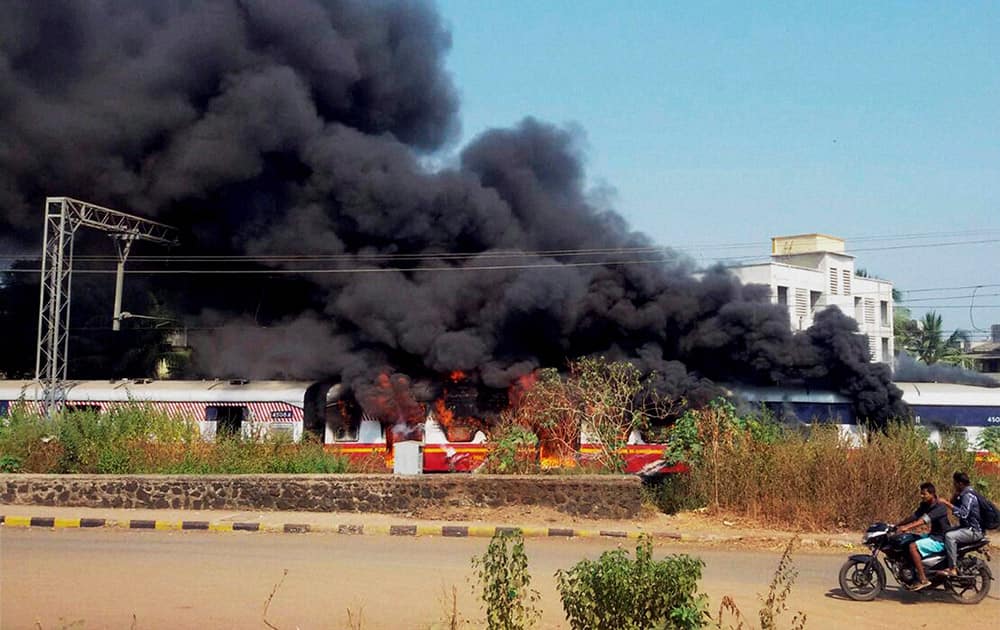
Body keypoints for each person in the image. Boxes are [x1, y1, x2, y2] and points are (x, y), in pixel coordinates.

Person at [895, 482, 949, 590]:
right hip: (932, 536)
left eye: (924, 494)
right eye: (921, 493)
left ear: (932, 494)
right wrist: (898, 525)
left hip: (940, 539)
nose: (922, 496)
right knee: (908, 539)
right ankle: (914, 569)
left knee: (912, 546)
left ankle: (923, 579)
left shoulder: (940, 507)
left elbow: (924, 520)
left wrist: (907, 528)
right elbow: (915, 516)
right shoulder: (926, 505)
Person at [939, 471, 983, 576]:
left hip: (973, 530)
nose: (953, 485)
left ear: (960, 484)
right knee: (944, 532)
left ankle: (952, 568)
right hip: (968, 528)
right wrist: (955, 496)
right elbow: (956, 504)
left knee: (950, 537)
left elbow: (963, 514)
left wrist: (946, 503)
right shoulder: (966, 492)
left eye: (954, 483)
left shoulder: (967, 495)